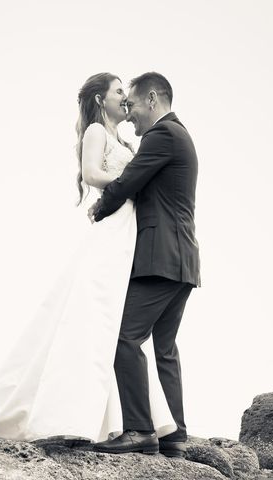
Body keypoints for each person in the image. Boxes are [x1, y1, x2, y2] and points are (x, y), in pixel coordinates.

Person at [0, 73, 178, 443]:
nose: (125, 99)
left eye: (127, 93)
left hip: (127, 232)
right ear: (101, 100)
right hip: (112, 232)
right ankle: (70, 417)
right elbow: (90, 174)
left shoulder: (121, 140)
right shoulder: (96, 133)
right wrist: (125, 186)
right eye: (119, 91)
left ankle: (121, 420)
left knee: (112, 322)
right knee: (95, 315)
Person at [89, 72, 201, 457]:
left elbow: (129, 182)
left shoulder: (163, 135)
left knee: (124, 336)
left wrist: (99, 209)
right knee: (165, 349)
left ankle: (140, 429)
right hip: (183, 261)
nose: (129, 113)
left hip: (160, 259)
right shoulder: (179, 135)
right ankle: (176, 437)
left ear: (151, 99)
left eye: (132, 105)